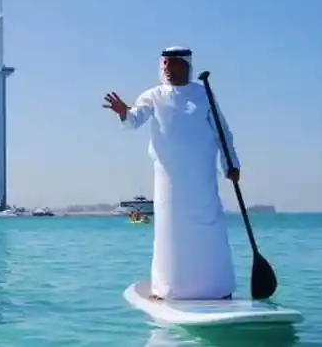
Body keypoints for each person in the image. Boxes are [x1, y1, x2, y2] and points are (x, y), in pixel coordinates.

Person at [103, 46, 240, 301]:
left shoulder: (204, 94)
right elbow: (134, 120)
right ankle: (168, 289)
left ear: (185, 65)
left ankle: (218, 289)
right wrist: (123, 112)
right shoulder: (153, 95)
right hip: (168, 179)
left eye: (173, 63)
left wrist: (231, 164)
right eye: (164, 63)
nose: (167, 67)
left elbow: (223, 132)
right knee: (171, 231)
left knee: (208, 228)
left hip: (202, 177)